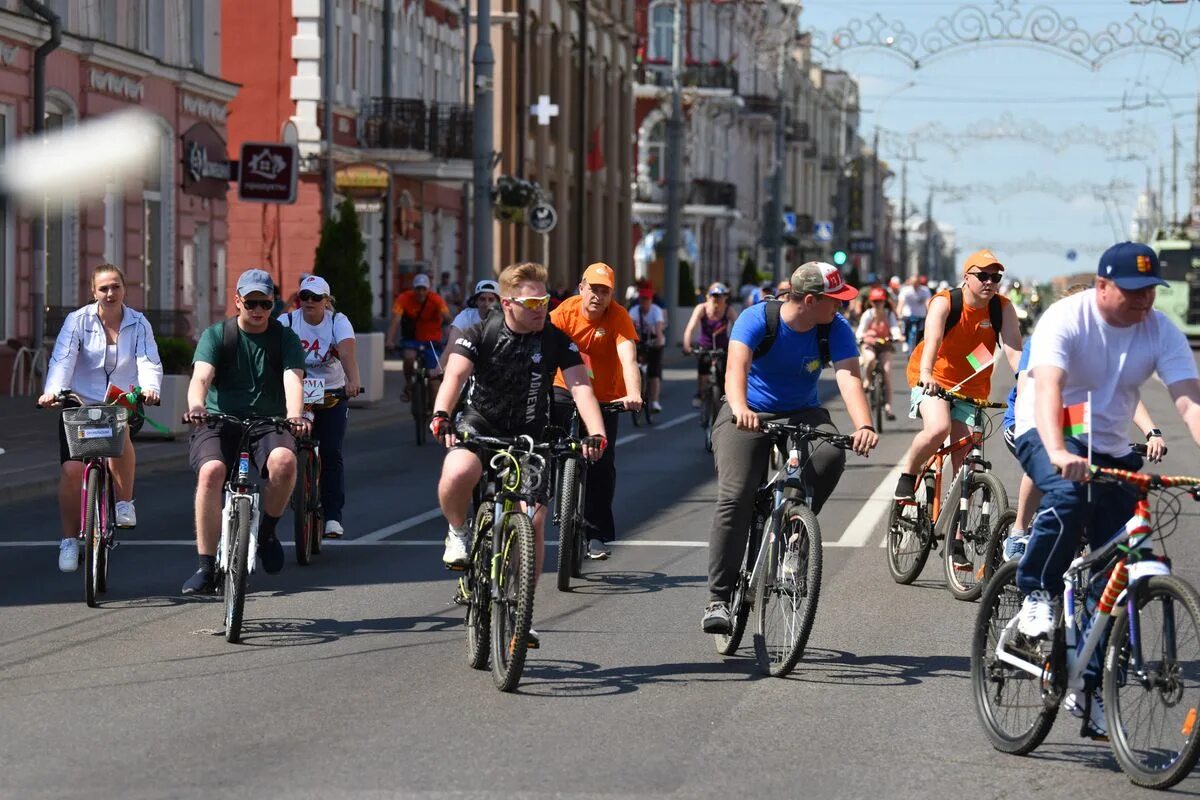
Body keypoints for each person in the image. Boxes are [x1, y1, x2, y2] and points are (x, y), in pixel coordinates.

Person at [1011, 242, 1200, 739]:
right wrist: (1056, 451)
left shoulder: (1160, 330)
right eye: (1132, 291)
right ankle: (1035, 591)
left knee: (1122, 560)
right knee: (1069, 496)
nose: (1142, 302)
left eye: (1150, 292)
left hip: (1110, 444)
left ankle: (1086, 686)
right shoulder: (1065, 318)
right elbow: (1049, 385)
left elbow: (1189, 402)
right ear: (1102, 286)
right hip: (1049, 428)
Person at [431, 262, 608, 645]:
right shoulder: (481, 332)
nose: (540, 307)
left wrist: (596, 432)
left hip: (531, 436)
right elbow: (455, 376)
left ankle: (521, 610)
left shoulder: (555, 340)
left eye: (544, 300)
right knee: (458, 471)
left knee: (535, 521)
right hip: (481, 425)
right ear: (508, 303)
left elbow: (580, 388)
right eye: (531, 301)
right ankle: (459, 531)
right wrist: (442, 414)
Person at [701, 262, 879, 633]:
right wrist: (741, 409)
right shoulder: (757, 319)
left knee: (831, 454)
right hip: (747, 411)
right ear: (810, 300)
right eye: (836, 300)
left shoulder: (834, 328)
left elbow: (848, 376)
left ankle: (793, 536)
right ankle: (718, 599)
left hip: (802, 412)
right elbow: (735, 368)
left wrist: (864, 424)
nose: (842, 307)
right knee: (736, 495)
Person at [998, 283, 1166, 561]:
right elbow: (1032, 390)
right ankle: (1018, 532)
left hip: (1073, 420)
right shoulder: (1046, 339)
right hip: (1027, 420)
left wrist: (1152, 432)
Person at [180, 268, 310, 594]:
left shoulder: (285, 338)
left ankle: (266, 531)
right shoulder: (218, 335)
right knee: (211, 472)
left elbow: (293, 379)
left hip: (269, 422)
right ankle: (206, 567)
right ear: (237, 301)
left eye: (265, 304)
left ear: (273, 305)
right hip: (219, 421)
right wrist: (196, 406)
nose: (257, 311)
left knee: (284, 462)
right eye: (251, 302)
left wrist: (295, 415)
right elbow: (201, 377)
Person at [895, 249, 1023, 570]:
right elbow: (932, 341)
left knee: (966, 466)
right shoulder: (945, 303)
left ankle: (956, 542)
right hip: (933, 380)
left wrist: (1031, 381)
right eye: (983, 276)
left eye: (996, 277)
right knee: (938, 427)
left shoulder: (1002, 309)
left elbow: (1015, 352)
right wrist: (926, 376)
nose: (990, 283)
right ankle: (908, 475)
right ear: (967, 277)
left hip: (972, 389)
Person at [40, 263, 163, 571]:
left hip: (121, 400)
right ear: (94, 292)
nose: (110, 293)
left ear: (124, 289)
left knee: (119, 434)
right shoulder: (77, 321)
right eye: (103, 288)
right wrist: (53, 391)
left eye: (115, 287)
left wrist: (150, 388)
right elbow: (63, 359)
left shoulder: (138, 323)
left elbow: (148, 360)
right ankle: (69, 540)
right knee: (71, 471)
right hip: (80, 402)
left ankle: (123, 502)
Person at [550, 262, 644, 559]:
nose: (598, 296)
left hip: (606, 397)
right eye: (593, 289)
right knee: (554, 443)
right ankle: (556, 488)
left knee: (602, 463)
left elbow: (628, 358)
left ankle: (596, 534)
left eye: (605, 291)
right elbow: (544, 346)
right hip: (565, 388)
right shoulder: (564, 312)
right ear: (582, 288)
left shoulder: (618, 316)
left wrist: (634, 394)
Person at [279, 274, 362, 538]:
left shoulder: (338, 322)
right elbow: (271, 352)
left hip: (332, 392)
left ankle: (333, 517)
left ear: (326, 301)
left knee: (330, 452)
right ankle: (297, 484)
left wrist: (354, 381)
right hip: (298, 393)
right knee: (285, 448)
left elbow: (347, 352)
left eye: (316, 298)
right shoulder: (288, 321)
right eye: (304, 297)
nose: (309, 302)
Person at [387, 273, 452, 402]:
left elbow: (448, 318)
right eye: (418, 289)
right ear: (413, 289)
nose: (421, 292)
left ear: (428, 289)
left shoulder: (436, 299)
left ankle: (435, 413)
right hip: (412, 340)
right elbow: (395, 321)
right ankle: (409, 384)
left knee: (434, 380)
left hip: (432, 341)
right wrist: (390, 340)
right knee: (409, 358)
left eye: (424, 289)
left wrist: (453, 336)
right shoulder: (404, 298)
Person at [682, 282, 738, 408]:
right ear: (708, 297)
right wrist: (687, 345)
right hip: (705, 346)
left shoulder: (729, 310)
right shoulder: (701, 308)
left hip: (722, 347)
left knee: (723, 373)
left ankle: (724, 399)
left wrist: (738, 347)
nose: (716, 299)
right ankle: (700, 393)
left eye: (719, 296)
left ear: (725, 297)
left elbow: (739, 327)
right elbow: (690, 327)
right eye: (714, 296)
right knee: (703, 373)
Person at [855, 286, 903, 421]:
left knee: (887, 373)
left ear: (884, 301)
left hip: (885, 346)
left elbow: (894, 328)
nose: (878, 304)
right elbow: (860, 330)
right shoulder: (868, 314)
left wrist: (896, 336)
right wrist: (862, 337)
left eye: (880, 301)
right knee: (870, 359)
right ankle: (868, 381)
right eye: (875, 301)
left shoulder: (889, 314)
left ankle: (888, 408)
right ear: (871, 302)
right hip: (869, 345)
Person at [629, 286, 667, 413]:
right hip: (639, 339)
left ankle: (655, 402)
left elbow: (659, 329)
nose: (644, 302)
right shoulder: (634, 311)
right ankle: (635, 393)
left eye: (647, 299)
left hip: (654, 340)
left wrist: (658, 340)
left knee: (653, 373)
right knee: (634, 365)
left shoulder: (656, 311)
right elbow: (629, 327)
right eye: (642, 299)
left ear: (651, 300)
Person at [447, 279, 500, 343]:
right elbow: (451, 344)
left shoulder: (505, 318)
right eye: (482, 299)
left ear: (499, 302)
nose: (486, 304)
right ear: (476, 301)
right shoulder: (466, 316)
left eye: (491, 300)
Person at [896, 275, 932, 352]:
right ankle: (906, 341)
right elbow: (901, 303)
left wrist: (931, 313)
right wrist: (898, 314)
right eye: (913, 283)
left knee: (921, 332)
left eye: (916, 283)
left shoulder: (925, 290)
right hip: (908, 315)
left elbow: (928, 303)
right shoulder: (905, 290)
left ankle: (918, 346)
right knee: (905, 329)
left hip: (921, 315)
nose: (915, 285)